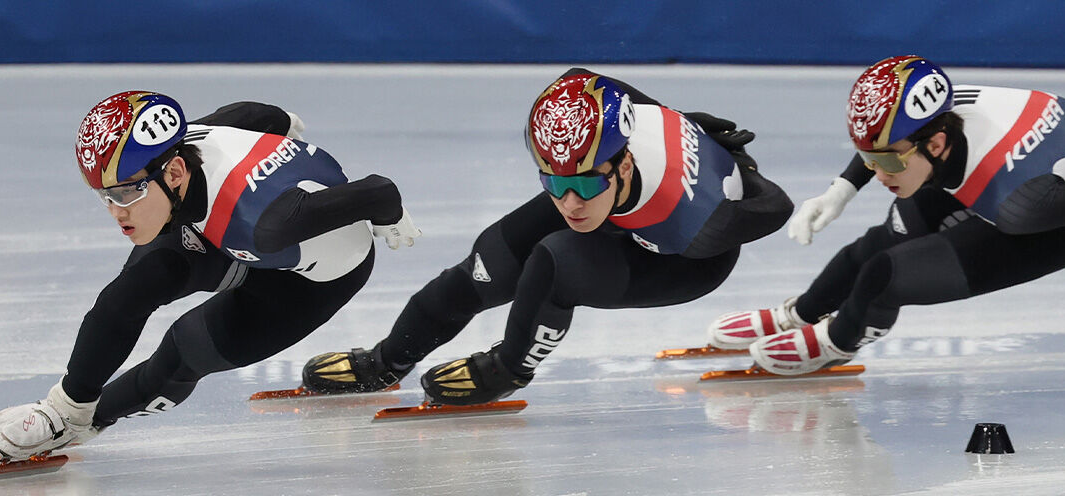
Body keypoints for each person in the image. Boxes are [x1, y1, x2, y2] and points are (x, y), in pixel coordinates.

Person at [302, 69, 793, 405]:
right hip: (623, 204)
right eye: (554, 183)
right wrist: (670, 122)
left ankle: (506, 369)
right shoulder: (589, 137)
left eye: (582, 184)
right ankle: (386, 361)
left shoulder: (694, 222)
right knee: (487, 262)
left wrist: (745, 170)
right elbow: (580, 79)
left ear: (625, 161)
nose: (570, 203)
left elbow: (776, 207)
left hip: (680, 259)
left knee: (553, 262)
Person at [0, 91, 419, 460]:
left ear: (173, 172)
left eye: (126, 192)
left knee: (184, 350)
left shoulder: (266, 221)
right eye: (103, 196)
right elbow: (254, 115)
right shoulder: (185, 144)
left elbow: (380, 188)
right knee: (131, 292)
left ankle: (91, 420)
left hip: (305, 280)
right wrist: (283, 123)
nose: (117, 211)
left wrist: (389, 214)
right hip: (224, 228)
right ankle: (64, 413)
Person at [707, 55, 1065, 374]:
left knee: (884, 276)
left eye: (889, 162)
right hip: (1005, 170)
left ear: (936, 144)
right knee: (873, 245)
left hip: (1062, 221)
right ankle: (800, 313)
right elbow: (884, 144)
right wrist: (840, 191)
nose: (879, 172)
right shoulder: (933, 118)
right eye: (869, 159)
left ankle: (835, 343)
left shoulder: (1019, 202)